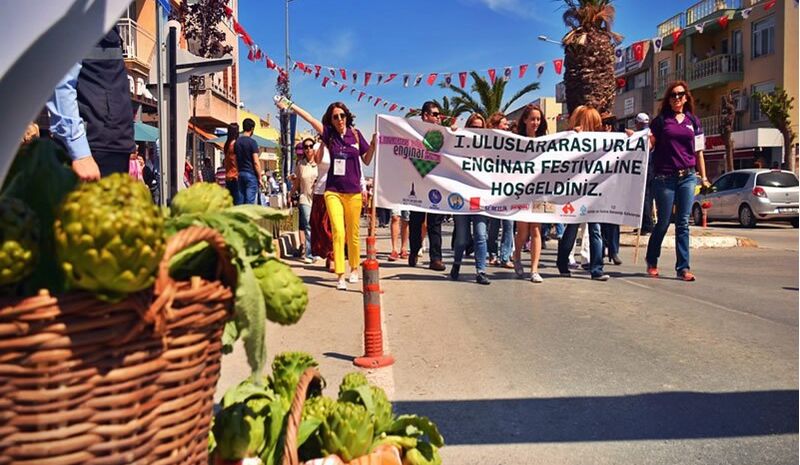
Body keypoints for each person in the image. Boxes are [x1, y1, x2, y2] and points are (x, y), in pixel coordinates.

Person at [276, 98, 376, 290]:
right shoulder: (329, 135)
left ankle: (354, 269)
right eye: (335, 117)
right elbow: (309, 118)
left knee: (352, 234)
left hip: (353, 191)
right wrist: (289, 105)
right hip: (333, 192)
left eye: (342, 115)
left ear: (347, 116)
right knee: (338, 231)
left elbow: (367, 160)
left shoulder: (355, 135)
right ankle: (340, 274)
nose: (339, 119)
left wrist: (372, 145)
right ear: (331, 120)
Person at [46, 27, 135, 181]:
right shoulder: (82, 16)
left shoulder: (102, 17)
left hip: (111, 145)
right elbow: (61, 81)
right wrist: (79, 152)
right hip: (93, 150)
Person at [646, 81, 710, 281]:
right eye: (673, 95)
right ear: (668, 99)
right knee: (664, 222)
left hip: (688, 176)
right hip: (664, 178)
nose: (677, 98)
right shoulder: (661, 121)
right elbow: (650, 144)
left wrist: (704, 176)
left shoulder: (694, 121)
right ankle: (652, 259)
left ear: (686, 97)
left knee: (683, 222)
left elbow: (698, 151)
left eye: (680, 95)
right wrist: (638, 139)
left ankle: (683, 268)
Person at [556, 105, 610, 281]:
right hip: (576, 191)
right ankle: (563, 262)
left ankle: (597, 269)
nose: (599, 125)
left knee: (595, 229)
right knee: (572, 228)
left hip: (595, 190)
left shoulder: (603, 139)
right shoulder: (571, 138)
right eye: (595, 122)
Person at [451, 113, 491, 285]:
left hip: (480, 198)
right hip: (461, 197)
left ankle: (481, 271)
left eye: (479, 127)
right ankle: (456, 264)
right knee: (461, 238)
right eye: (473, 126)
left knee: (481, 235)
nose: (476, 130)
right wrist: (452, 133)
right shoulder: (460, 145)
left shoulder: (489, 148)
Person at [510, 104, 547, 283]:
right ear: (525, 120)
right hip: (521, 192)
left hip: (539, 192)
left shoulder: (546, 142)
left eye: (538, 119)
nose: (536, 122)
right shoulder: (514, 142)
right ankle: (517, 257)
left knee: (536, 230)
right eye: (532, 119)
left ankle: (534, 269)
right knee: (522, 231)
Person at [408, 101, 446, 271]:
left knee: (435, 222)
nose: (439, 118)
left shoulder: (444, 134)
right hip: (417, 182)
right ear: (425, 116)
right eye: (435, 114)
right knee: (416, 221)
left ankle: (436, 259)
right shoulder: (412, 132)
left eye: (439, 115)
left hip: (435, 185)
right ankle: (414, 251)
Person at [485, 112, 515, 269]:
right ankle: (492, 254)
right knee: (494, 225)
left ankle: (505, 256)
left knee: (509, 224)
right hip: (494, 190)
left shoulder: (513, 142)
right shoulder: (488, 143)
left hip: (509, 191)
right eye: (504, 123)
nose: (507, 126)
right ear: (496, 126)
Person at [600, 112, 622, 266]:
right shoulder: (593, 139)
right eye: (604, 123)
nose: (607, 126)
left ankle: (613, 251)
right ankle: (599, 252)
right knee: (598, 221)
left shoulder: (620, 140)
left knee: (614, 219)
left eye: (610, 123)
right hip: (597, 186)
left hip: (614, 185)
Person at [292, 138, 319, 264]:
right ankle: (309, 253)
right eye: (306, 147)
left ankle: (316, 250)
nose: (308, 149)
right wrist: (291, 194)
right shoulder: (300, 165)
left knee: (316, 225)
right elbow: (296, 182)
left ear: (314, 148)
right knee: (308, 224)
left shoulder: (319, 163)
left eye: (310, 146)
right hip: (304, 198)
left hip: (317, 198)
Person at [235, 118, 263, 204]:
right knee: (249, 202)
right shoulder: (252, 142)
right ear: (252, 129)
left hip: (240, 173)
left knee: (241, 201)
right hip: (251, 174)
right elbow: (256, 162)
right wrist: (260, 177)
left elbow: (235, 159)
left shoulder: (237, 142)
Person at [635, 113, 654, 235]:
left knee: (645, 197)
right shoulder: (651, 133)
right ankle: (642, 224)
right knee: (646, 197)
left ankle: (647, 225)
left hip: (646, 169)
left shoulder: (641, 136)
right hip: (651, 169)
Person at [222, 123, 240, 203]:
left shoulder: (227, 145)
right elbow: (236, 161)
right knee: (238, 203)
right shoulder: (235, 145)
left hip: (228, 177)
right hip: (235, 177)